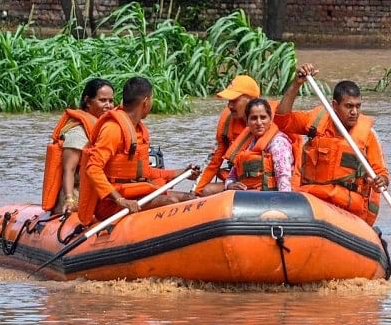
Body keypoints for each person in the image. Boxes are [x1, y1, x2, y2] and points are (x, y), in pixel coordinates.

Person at [274, 63, 389, 225]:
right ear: (335, 106)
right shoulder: (315, 122)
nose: (354, 112)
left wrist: (381, 181)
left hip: (347, 211)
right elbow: (282, 120)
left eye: (357, 106)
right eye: (349, 106)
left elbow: (382, 174)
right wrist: (296, 84)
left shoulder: (368, 136)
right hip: (314, 203)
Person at [78, 76, 200, 224]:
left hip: (134, 194)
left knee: (190, 199)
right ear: (146, 102)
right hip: (111, 203)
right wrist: (120, 200)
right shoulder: (112, 129)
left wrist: (181, 173)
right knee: (171, 201)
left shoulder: (138, 131)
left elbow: (145, 173)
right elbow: (93, 169)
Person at [41, 78, 115, 214]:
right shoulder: (78, 131)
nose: (108, 105)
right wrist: (69, 199)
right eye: (103, 100)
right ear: (87, 101)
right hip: (76, 190)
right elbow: (69, 169)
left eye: (111, 101)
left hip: (98, 188)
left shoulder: (107, 128)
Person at [193, 75, 261, 196]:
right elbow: (213, 161)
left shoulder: (271, 122)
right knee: (204, 190)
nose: (230, 106)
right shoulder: (228, 122)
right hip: (238, 180)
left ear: (251, 101)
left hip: (264, 184)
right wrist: (194, 192)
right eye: (229, 101)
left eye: (234, 100)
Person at [223, 98, 295, 192]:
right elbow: (231, 177)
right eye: (253, 118)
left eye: (263, 117)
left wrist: (283, 203)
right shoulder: (247, 144)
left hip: (272, 198)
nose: (259, 123)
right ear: (247, 122)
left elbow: (284, 178)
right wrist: (230, 185)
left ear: (270, 120)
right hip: (250, 196)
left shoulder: (278, 143)